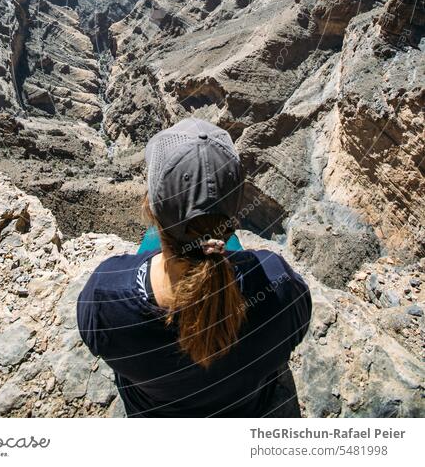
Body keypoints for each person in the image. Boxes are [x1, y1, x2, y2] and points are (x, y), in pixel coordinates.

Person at [77, 118, 311, 417]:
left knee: (151, 242)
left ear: (149, 206)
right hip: (247, 409)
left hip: (153, 413)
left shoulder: (106, 295)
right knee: (217, 243)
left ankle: (187, 232)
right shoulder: (280, 286)